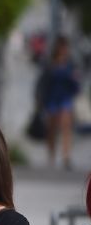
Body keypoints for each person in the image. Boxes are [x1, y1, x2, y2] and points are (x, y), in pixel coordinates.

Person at [39, 37, 80, 170]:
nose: (64, 50)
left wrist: (72, 77)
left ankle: (66, 156)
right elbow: (44, 82)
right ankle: (51, 155)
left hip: (65, 100)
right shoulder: (50, 64)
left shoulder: (70, 64)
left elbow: (75, 84)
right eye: (62, 47)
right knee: (52, 130)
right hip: (52, 99)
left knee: (66, 128)